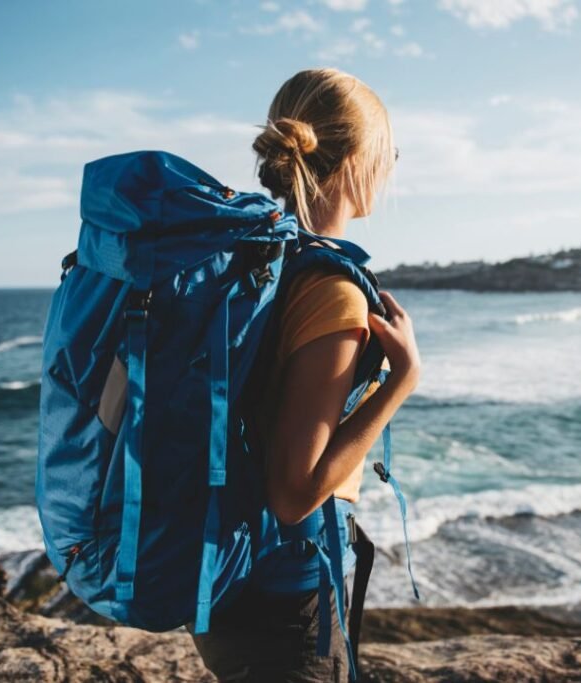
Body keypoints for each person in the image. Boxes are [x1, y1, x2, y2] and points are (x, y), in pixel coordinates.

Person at [190, 68, 420, 682]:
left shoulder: (260, 262)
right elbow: (296, 493)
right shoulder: (332, 291)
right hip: (283, 604)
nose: (392, 164)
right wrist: (403, 378)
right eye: (389, 150)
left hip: (226, 585)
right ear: (354, 160)